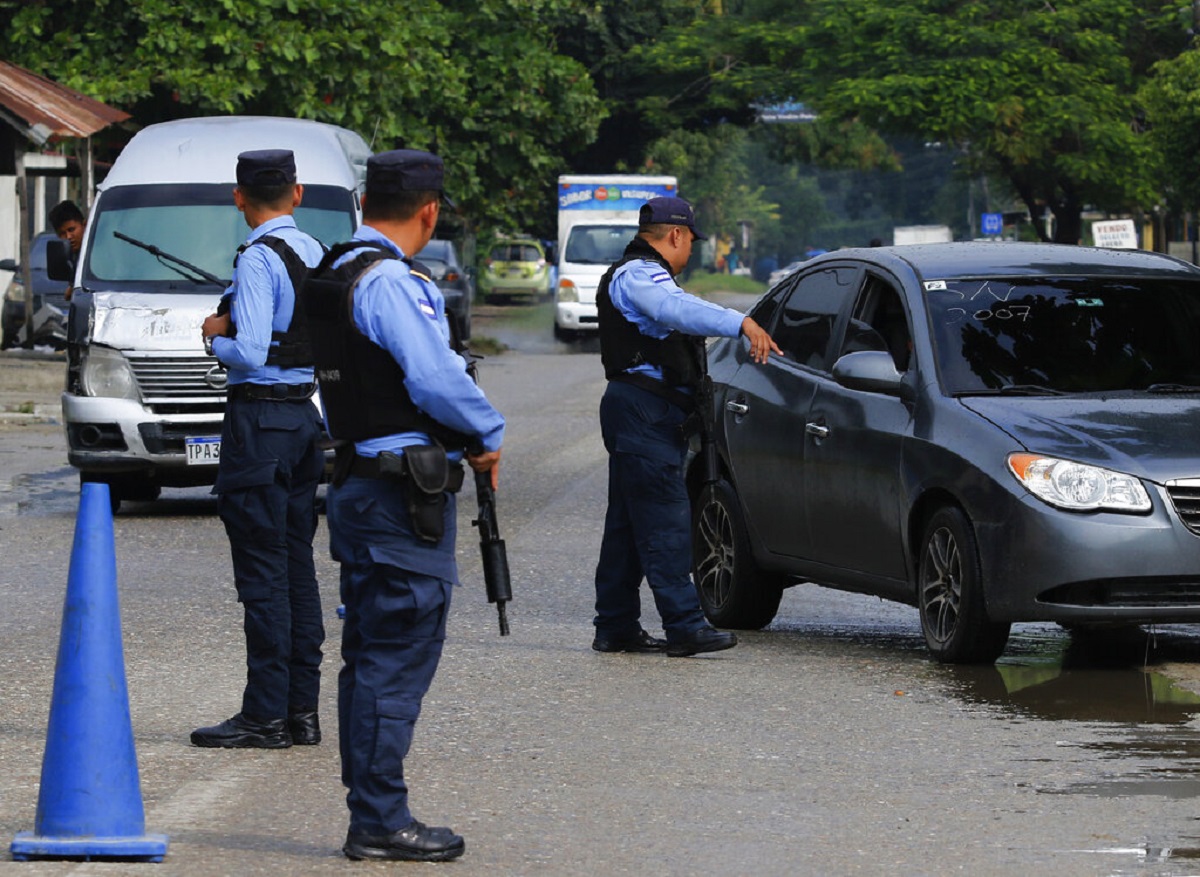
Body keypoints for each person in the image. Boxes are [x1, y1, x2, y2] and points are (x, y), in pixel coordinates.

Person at [300, 149, 504, 863]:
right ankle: (380, 817)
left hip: (360, 481)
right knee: (394, 654)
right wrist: (487, 431)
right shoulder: (393, 282)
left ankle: (372, 808)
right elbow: (435, 378)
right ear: (429, 210)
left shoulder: (335, 272)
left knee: (367, 657)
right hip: (398, 498)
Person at [593, 196, 780, 658]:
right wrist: (742, 323)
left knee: (627, 525)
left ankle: (615, 626)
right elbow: (676, 310)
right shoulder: (639, 275)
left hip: (643, 411)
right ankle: (684, 626)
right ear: (675, 235)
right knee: (665, 523)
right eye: (689, 243)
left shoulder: (639, 274)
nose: (689, 253)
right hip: (644, 412)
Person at [191, 149, 327, 750]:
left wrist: (214, 337)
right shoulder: (317, 251)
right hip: (304, 420)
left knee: (262, 573)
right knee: (297, 567)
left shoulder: (257, 259)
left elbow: (248, 351)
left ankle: (264, 715)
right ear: (296, 194)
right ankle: (302, 710)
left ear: (238, 197)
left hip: (260, 424)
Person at [48, 200, 85, 299]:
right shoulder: (71, 255)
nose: (68, 236)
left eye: (71, 230)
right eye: (62, 234)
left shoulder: (96, 251)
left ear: (84, 225)